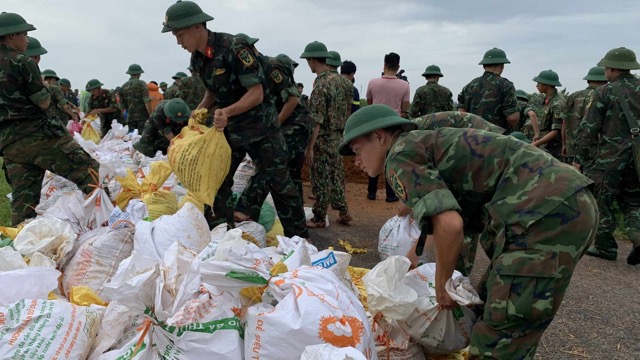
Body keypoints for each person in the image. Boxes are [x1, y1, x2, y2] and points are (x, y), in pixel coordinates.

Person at [339, 104, 596, 359]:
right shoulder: (422, 140)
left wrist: (442, 285)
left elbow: (450, 225)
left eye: (357, 150)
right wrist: (408, 262)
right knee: (496, 310)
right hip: (559, 205)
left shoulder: (399, 155)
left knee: (498, 338)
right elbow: (441, 221)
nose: (357, 161)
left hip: (543, 214)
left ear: (380, 136)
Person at [162, 0, 308, 239]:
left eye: (180, 34)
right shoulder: (197, 60)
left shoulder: (234, 47)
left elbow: (256, 93)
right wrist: (199, 110)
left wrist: (226, 112)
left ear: (197, 27)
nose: (178, 42)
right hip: (229, 131)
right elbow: (212, 91)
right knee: (217, 181)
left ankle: (300, 242)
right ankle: (222, 236)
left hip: (261, 129)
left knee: (280, 185)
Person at [0, 12, 100, 225]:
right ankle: (106, 221)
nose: (26, 40)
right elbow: (43, 101)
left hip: (9, 144)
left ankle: (19, 248)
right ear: (10, 36)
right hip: (39, 136)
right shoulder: (21, 62)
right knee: (89, 172)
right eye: (24, 35)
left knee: (23, 202)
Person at [575, 47, 640, 265]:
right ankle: (638, 238)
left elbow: (589, 128)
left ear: (613, 68)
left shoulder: (605, 92)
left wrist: (580, 157)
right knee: (633, 202)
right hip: (637, 158)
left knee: (603, 201)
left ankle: (605, 246)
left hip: (609, 159)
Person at [235, 51, 314, 222]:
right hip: (294, 125)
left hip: (295, 126)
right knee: (291, 173)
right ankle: (297, 218)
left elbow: (292, 99)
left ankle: (246, 209)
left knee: (270, 164)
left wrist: (274, 126)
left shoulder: (272, 67)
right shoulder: (253, 71)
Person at [300, 40, 352, 228]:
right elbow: (347, 111)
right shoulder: (345, 83)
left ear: (313, 60)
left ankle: (319, 217)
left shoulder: (321, 86)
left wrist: (310, 147)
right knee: (336, 174)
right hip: (338, 135)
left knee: (320, 177)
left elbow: (316, 120)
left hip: (322, 137)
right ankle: (343, 210)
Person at [365, 51, 410, 202]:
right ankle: (391, 195)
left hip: (375, 125)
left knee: (375, 157)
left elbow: (369, 103)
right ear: (398, 66)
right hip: (393, 126)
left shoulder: (373, 83)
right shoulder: (405, 85)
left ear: (384, 65)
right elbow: (404, 109)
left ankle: (371, 192)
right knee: (391, 160)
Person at [458, 47, 519, 132]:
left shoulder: (469, 86)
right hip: (496, 139)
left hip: (472, 138)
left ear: (484, 66)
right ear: (502, 66)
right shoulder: (506, 85)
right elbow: (512, 118)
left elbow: (461, 114)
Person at [563, 67, 608, 164]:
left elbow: (564, 123)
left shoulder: (573, 96)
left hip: (572, 149)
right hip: (596, 152)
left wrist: (564, 144)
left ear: (588, 80)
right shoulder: (605, 96)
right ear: (606, 81)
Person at [531, 69, 565, 159]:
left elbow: (555, 132)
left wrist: (536, 144)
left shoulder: (557, 103)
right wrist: (538, 136)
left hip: (553, 151)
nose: (536, 85)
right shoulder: (547, 99)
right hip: (545, 146)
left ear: (547, 85)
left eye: (539, 83)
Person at [120, 63, 152, 132]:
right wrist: (151, 115)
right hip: (142, 118)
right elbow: (146, 101)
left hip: (130, 119)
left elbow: (122, 107)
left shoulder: (123, 87)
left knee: (132, 139)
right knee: (143, 138)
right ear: (139, 74)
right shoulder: (141, 83)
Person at [327, 50, 353, 121]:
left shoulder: (322, 80)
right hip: (342, 125)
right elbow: (349, 108)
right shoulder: (348, 83)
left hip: (326, 127)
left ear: (326, 63)